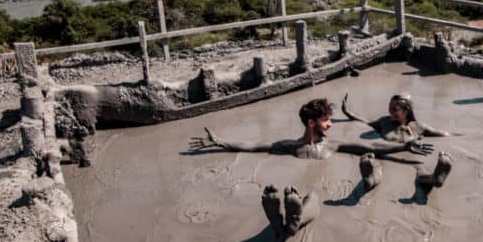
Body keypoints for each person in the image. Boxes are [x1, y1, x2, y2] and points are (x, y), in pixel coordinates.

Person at [190, 98, 434, 160]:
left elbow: (372, 147)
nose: (330, 124)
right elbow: (252, 146)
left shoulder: (333, 145)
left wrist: (404, 146)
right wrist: (220, 142)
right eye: (326, 120)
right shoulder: (288, 147)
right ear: (310, 123)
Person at [341, 92, 454, 144]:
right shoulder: (384, 121)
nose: (390, 112)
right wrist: (348, 113)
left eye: (394, 109)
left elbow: (445, 135)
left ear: (406, 111)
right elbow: (366, 123)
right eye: (389, 108)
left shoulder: (419, 127)